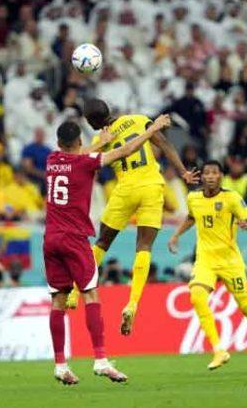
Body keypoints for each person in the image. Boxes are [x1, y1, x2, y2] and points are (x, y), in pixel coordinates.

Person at [44, 114, 170, 385]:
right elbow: (126, 151)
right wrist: (153, 130)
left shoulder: (52, 160)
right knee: (91, 294)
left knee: (58, 300)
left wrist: (100, 141)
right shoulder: (85, 163)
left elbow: (76, 155)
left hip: (50, 238)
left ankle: (60, 365)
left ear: (58, 142)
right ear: (79, 141)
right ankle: (101, 361)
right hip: (74, 239)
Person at [66, 98, 199, 337]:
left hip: (125, 190)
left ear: (92, 122)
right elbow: (165, 144)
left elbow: (78, 161)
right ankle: (133, 303)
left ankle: (76, 291)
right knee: (144, 247)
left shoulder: (100, 140)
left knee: (102, 243)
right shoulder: (138, 120)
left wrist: (100, 145)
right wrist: (183, 172)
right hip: (152, 186)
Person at [168, 160, 247, 373]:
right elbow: (192, 217)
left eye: (214, 173)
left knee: (246, 307)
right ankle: (219, 350)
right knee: (196, 296)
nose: (210, 176)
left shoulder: (231, 198)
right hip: (206, 260)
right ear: (202, 177)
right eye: (207, 173)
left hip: (230, 262)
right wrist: (175, 235)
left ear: (221, 176)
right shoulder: (193, 198)